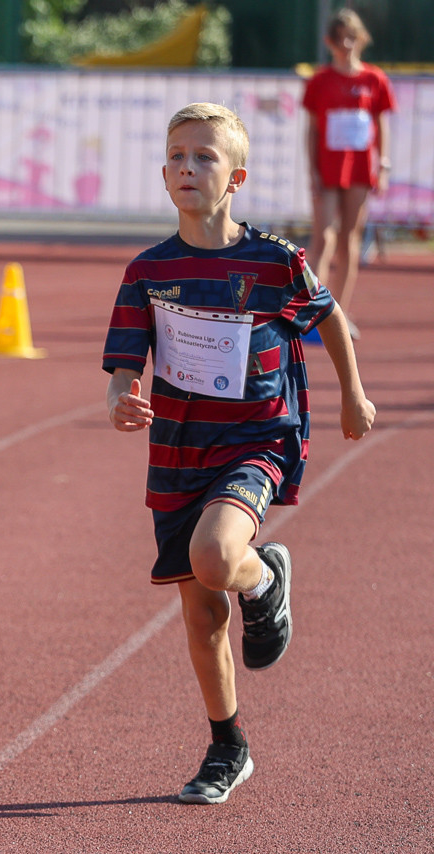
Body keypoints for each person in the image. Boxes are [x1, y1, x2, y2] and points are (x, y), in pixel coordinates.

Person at [103, 103, 375, 805]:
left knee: (217, 556)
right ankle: (228, 746)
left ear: (236, 178)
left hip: (259, 438)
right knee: (201, 617)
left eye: (204, 157)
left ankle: (262, 580)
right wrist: (120, 402)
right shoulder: (148, 271)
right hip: (178, 452)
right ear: (164, 175)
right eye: (176, 157)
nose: (187, 167)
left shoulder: (274, 263)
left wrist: (353, 395)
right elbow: (123, 364)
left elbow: (331, 320)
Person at [303, 9, 396, 338]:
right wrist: (312, 170)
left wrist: (382, 165)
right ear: (329, 41)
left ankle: (338, 314)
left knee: (349, 240)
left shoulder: (374, 80)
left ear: (361, 40)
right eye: (339, 38)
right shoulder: (320, 80)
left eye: (352, 37)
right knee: (324, 236)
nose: (346, 44)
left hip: (358, 170)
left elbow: (380, 125)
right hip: (328, 169)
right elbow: (312, 130)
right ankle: (313, 311)